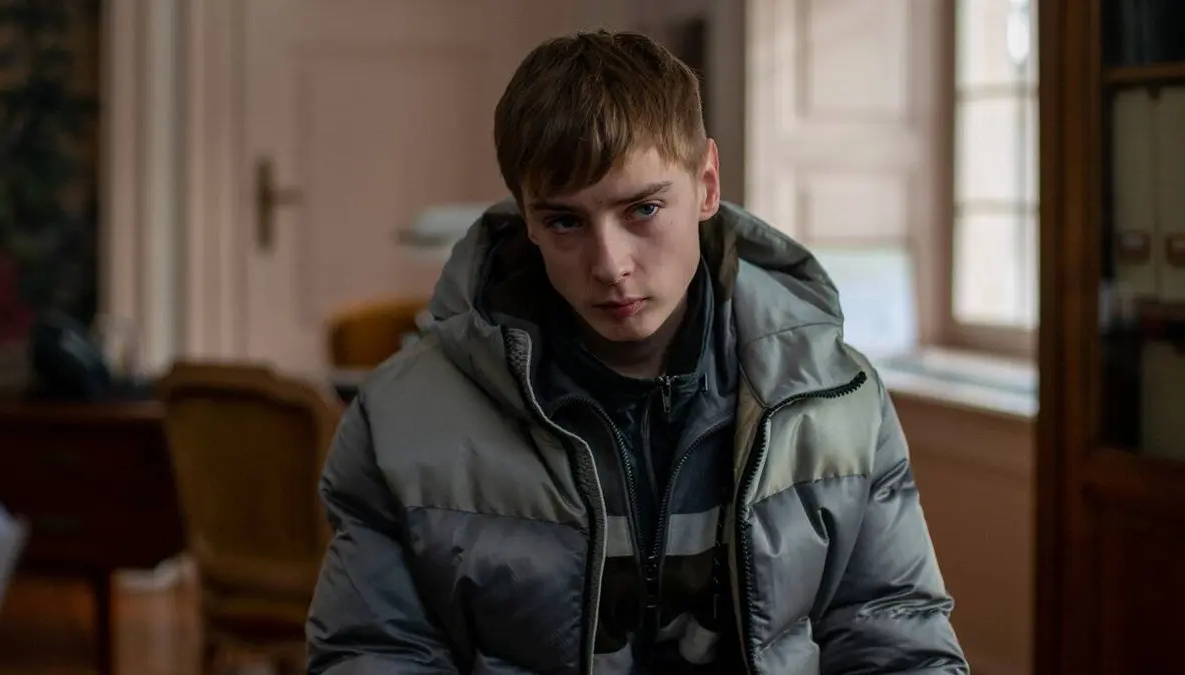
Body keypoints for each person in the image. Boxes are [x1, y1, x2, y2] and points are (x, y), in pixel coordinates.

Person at [306, 29, 968, 675]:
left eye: (643, 209)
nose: (609, 264)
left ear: (707, 183)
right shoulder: (399, 421)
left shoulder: (840, 401)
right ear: (527, 218)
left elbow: (896, 637)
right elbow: (376, 650)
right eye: (565, 221)